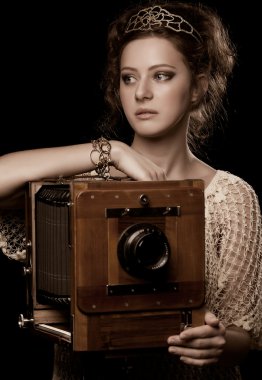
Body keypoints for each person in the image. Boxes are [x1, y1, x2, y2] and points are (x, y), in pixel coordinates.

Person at [0, 1, 261, 379]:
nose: (141, 93)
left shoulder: (229, 196)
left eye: (162, 76)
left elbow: (243, 334)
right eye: (128, 77)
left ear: (197, 88)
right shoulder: (82, 187)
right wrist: (110, 151)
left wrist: (220, 344)